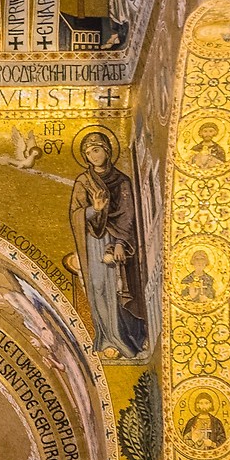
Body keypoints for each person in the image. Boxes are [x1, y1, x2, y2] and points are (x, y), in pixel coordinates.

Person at [68, 129, 146, 357]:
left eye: (96, 150)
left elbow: (128, 215)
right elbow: (76, 214)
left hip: (119, 243)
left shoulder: (122, 181)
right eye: (88, 153)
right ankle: (107, 337)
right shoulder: (84, 181)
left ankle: (125, 337)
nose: (93, 156)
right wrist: (95, 210)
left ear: (107, 150)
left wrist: (121, 242)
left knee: (119, 287)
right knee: (99, 288)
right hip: (94, 242)